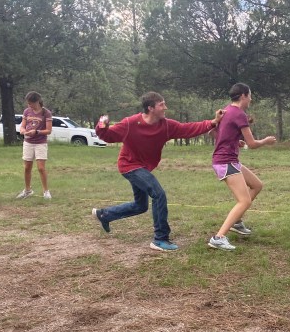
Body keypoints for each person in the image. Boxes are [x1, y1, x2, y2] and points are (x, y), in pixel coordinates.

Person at [91, 92, 224, 251]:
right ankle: (160, 239)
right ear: (151, 108)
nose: (165, 107)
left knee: (141, 206)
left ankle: (105, 215)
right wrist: (102, 123)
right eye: (162, 105)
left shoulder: (166, 126)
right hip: (129, 166)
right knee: (158, 194)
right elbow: (107, 135)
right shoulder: (130, 123)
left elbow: (188, 128)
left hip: (143, 168)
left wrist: (213, 122)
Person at [208, 83, 276, 251]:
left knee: (257, 185)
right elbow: (251, 144)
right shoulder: (239, 114)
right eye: (250, 96)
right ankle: (218, 238)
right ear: (244, 96)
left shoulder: (225, 111)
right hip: (225, 162)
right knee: (244, 200)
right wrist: (266, 141)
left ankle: (237, 222)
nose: (251, 99)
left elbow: (212, 133)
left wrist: (232, 140)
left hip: (228, 160)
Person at [16, 91, 53, 199]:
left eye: (31, 103)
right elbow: (22, 126)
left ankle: (46, 191)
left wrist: (37, 132)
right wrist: (23, 131)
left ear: (37, 102)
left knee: (41, 168)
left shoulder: (46, 113)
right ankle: (27, 190)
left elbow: (48, 130)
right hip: (28, 142)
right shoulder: (27, 111)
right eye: (28, 103)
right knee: (27, 167)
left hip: (40, 143)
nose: (29, 105)